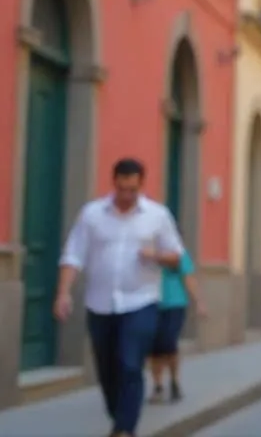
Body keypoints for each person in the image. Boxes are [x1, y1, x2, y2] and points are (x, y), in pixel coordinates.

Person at [53, 158, 185, 437]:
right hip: (100, 303)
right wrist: (63, 292)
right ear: (114, 183)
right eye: (122, 189)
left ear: (141, 185)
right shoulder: (92, 214)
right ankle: (121, 417)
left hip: (141, 301)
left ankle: (124, 429)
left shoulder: (157, 215)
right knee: (107, 369)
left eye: (132, 190)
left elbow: (176, 257)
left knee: (130, 362)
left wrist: (156, 255)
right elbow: (73, 254)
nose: (126, 196)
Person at [148, 248, 207, 404]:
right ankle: (158, 385)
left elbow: (189, 278)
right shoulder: (149, 251)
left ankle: (174, 380)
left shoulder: (180, 254)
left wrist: (199, 302)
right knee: (154, 347)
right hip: (151, 304)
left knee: (168, 343)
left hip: (175, 305)